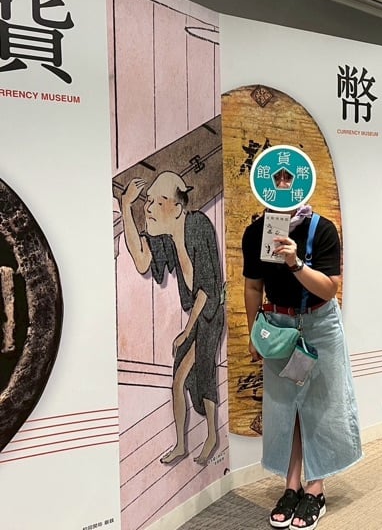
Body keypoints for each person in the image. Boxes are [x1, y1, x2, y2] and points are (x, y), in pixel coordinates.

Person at [242, 181, 362, 529]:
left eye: (289, 179)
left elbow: (329, 287)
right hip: (278, 327)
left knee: (320, 405)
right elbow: (253, 286)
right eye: (276, 179)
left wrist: (295, 263)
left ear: (302, 185)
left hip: (319, 324)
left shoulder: (321, 229)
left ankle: (316, 489)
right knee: (285, 408)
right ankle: (291, 485)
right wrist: (253, 333)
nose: (282, 186)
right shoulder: (256, 232)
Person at [121, 171, 224, 465]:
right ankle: (181, 444)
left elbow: (207, 289)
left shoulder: (198, 225)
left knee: (203, 371)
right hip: (197, 314)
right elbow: (142, 260)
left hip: (211, 312)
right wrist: (126, 208)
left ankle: (212, 436)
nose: (148, 207)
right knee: (179, 380)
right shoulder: (166, 239)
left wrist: (186, 331)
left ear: (178, 208)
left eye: (158, 201)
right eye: (148, 201)